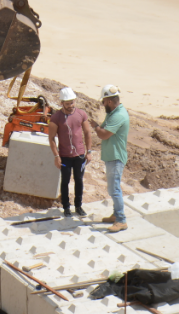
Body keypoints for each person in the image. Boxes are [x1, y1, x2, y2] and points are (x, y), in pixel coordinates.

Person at [48, 86, 92, 217]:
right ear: (62, 103)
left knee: (79, 180)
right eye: (67, 103)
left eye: (72, 102)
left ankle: (78, 206)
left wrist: (89, 151)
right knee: (65, 181)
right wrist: (56, 156)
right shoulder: (56, 118)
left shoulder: (81, 114)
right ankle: (66, 207)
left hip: (79, 155)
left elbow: (87, 132)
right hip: (65, 156)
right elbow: (51, 138)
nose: (71, 105)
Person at [91, 84, 130, 232]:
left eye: (103, 101)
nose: (102, 104)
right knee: (114, 187)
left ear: (108, 101)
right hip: (112, 156)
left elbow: (103, 134)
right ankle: (116, 215)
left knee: (114, 189)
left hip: (115, 157)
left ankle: (121, 220)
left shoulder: (118, 116)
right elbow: (104, 128)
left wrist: (95, 127)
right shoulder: (113, 113)